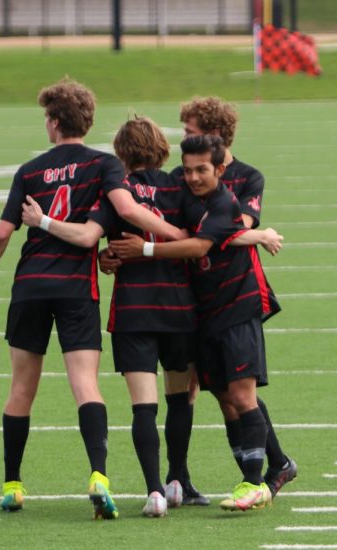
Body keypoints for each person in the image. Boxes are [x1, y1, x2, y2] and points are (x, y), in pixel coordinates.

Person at [19, 117, 283, 517]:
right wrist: (257, 235)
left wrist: (104, 254)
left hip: (134, 312)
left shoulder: (116, 192)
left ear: (121, 155)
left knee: (145, 406)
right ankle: (179, 479)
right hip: (180, 311)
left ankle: (155, 491)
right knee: (182, 398)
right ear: (163, 148)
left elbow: (91, 237)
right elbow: (212, 235)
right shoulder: (182, 191)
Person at [0, 80, 185, 520]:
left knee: (21, 387)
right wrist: (178, 235)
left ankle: (12, 485)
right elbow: (130, 211)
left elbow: (3, 232)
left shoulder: (29, 170)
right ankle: (98, 474)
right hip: (76, 289)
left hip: (30, 286)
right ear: (88, 121)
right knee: (85, 383)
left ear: (54, 122)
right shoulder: (103, 166)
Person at [110, 134, 281, 511]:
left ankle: (252, 482)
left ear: (220, 169)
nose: (192, 177)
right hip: (201, 313)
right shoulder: (178, 191)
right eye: (187, 170)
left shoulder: (222, 201)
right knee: (219, 396)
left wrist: (144, 250)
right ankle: (264, 469)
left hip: (234, 305)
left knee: (238, 395)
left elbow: (201, 244)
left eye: (201, 170)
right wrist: (114, 255)